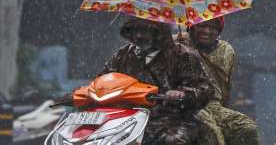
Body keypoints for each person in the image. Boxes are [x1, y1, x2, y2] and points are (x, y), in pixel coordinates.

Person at [98, 17, 213, 145]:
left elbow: (204, 89)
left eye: (144, 30)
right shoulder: (122, 55)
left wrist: (183, 94)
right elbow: (102, 81)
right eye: (134, 30)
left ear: (159, 32)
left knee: (173, 141)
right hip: (126, 119)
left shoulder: (183, 55)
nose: (138, 36)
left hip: (173, 120)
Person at [175, 17, 261, 145]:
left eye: (213, 28)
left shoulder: (226, 50)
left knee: (247, 128)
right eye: (202, 26)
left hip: (214, 106)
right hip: (184, 104)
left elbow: (226, 86)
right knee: (211, 132)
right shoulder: (175, 44)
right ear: (191, 26)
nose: (207, 31)